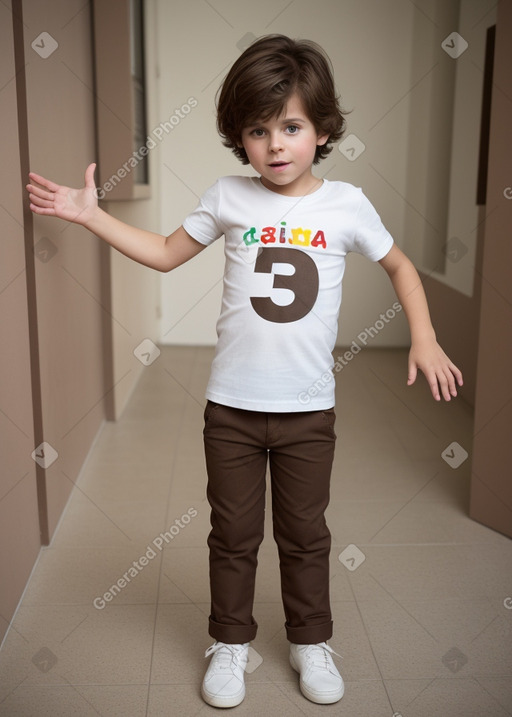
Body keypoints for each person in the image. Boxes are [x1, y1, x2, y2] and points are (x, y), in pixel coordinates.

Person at [26, 34, 463, 709]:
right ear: (240, 137)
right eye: (258, 130)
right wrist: (91, 217)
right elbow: (168, 251)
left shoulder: (344, 206)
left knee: (305, 532)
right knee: (232, 533)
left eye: (290, 126)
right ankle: (230, 641)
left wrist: (425, 337)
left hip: (309, 412)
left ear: (322, 130)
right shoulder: (229, 196)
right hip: (230, 409)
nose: (276, 144)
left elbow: (401, 265)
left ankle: (309, 638)